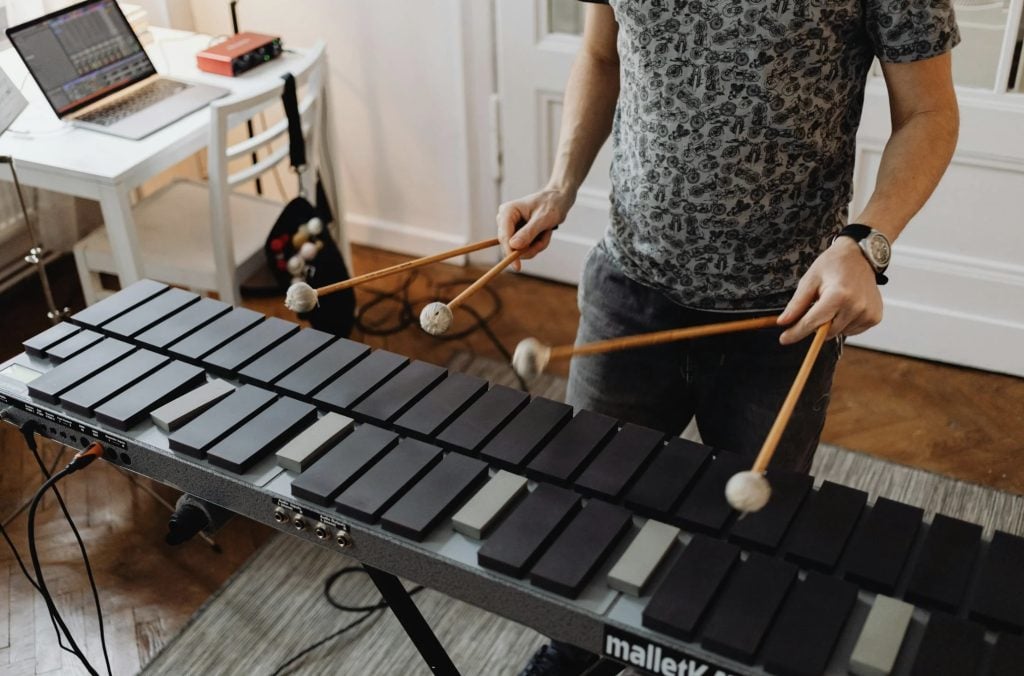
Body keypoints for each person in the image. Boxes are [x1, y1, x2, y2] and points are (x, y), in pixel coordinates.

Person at [497, 1, 959, 674]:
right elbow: (602, 54)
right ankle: (576, 652)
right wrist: (560, 184)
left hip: (782, 319)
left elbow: (929, 113)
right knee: (590, 508)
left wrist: (867, 243)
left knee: (754, 542)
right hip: (630, 287)